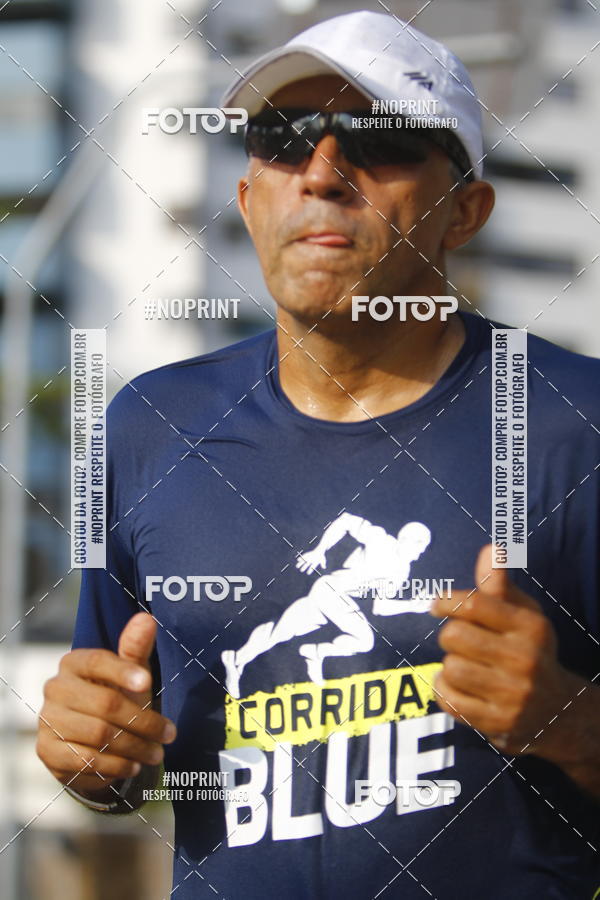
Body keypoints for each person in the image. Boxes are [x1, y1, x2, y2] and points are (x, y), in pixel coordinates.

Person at [37, 10, 600, 899]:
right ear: (249, 197)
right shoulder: (152, 425)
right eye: (285, 139)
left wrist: (571, 723)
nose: (325, 174)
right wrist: (92, 759)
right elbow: (122, 754)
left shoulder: (577, 425)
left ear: (467, 210)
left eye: (381, 143)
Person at [222, 515, 432, 695]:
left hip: (330, 598)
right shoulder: (380, 539)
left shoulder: (402, 572)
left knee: (279, 633)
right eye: (420, 547)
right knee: (364, 640)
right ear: (408, 539)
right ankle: (315, 652)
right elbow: (345, 520)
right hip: (331, 590)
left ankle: (237, 659)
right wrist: (319, 550)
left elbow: (381, 607)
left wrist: (413, 605)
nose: (421, 553)